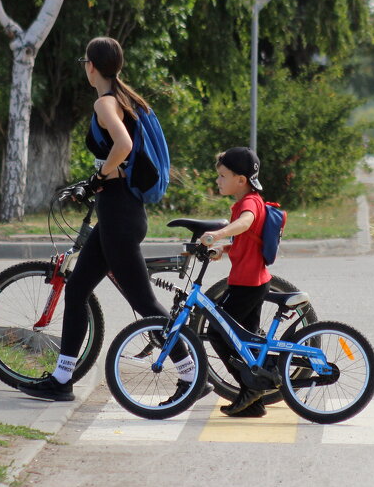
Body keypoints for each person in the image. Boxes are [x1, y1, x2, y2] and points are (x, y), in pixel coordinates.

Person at [20, 37, 199, 402]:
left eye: (84, 61)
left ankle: (191, 375)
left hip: (119, 215)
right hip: (118, 213)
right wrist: (99, 179)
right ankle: (62, 378)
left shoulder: (105, 102)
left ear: (91, 66)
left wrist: (101, 178)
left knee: (145, 303)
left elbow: (124, 147)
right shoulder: (127, 99)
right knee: (78, 288)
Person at [200, 147, 273, 418]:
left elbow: (245, 224)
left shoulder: (249, 203)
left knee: (219, 332)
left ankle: (250, 388)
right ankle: (254, 402)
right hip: (251, 281)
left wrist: (217, 235)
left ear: (240, 180)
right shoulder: (246, 200)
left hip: (247, 284)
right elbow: (247, 240)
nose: (218, 181)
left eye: (222, 176)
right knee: (245, 342)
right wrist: (225, 249)